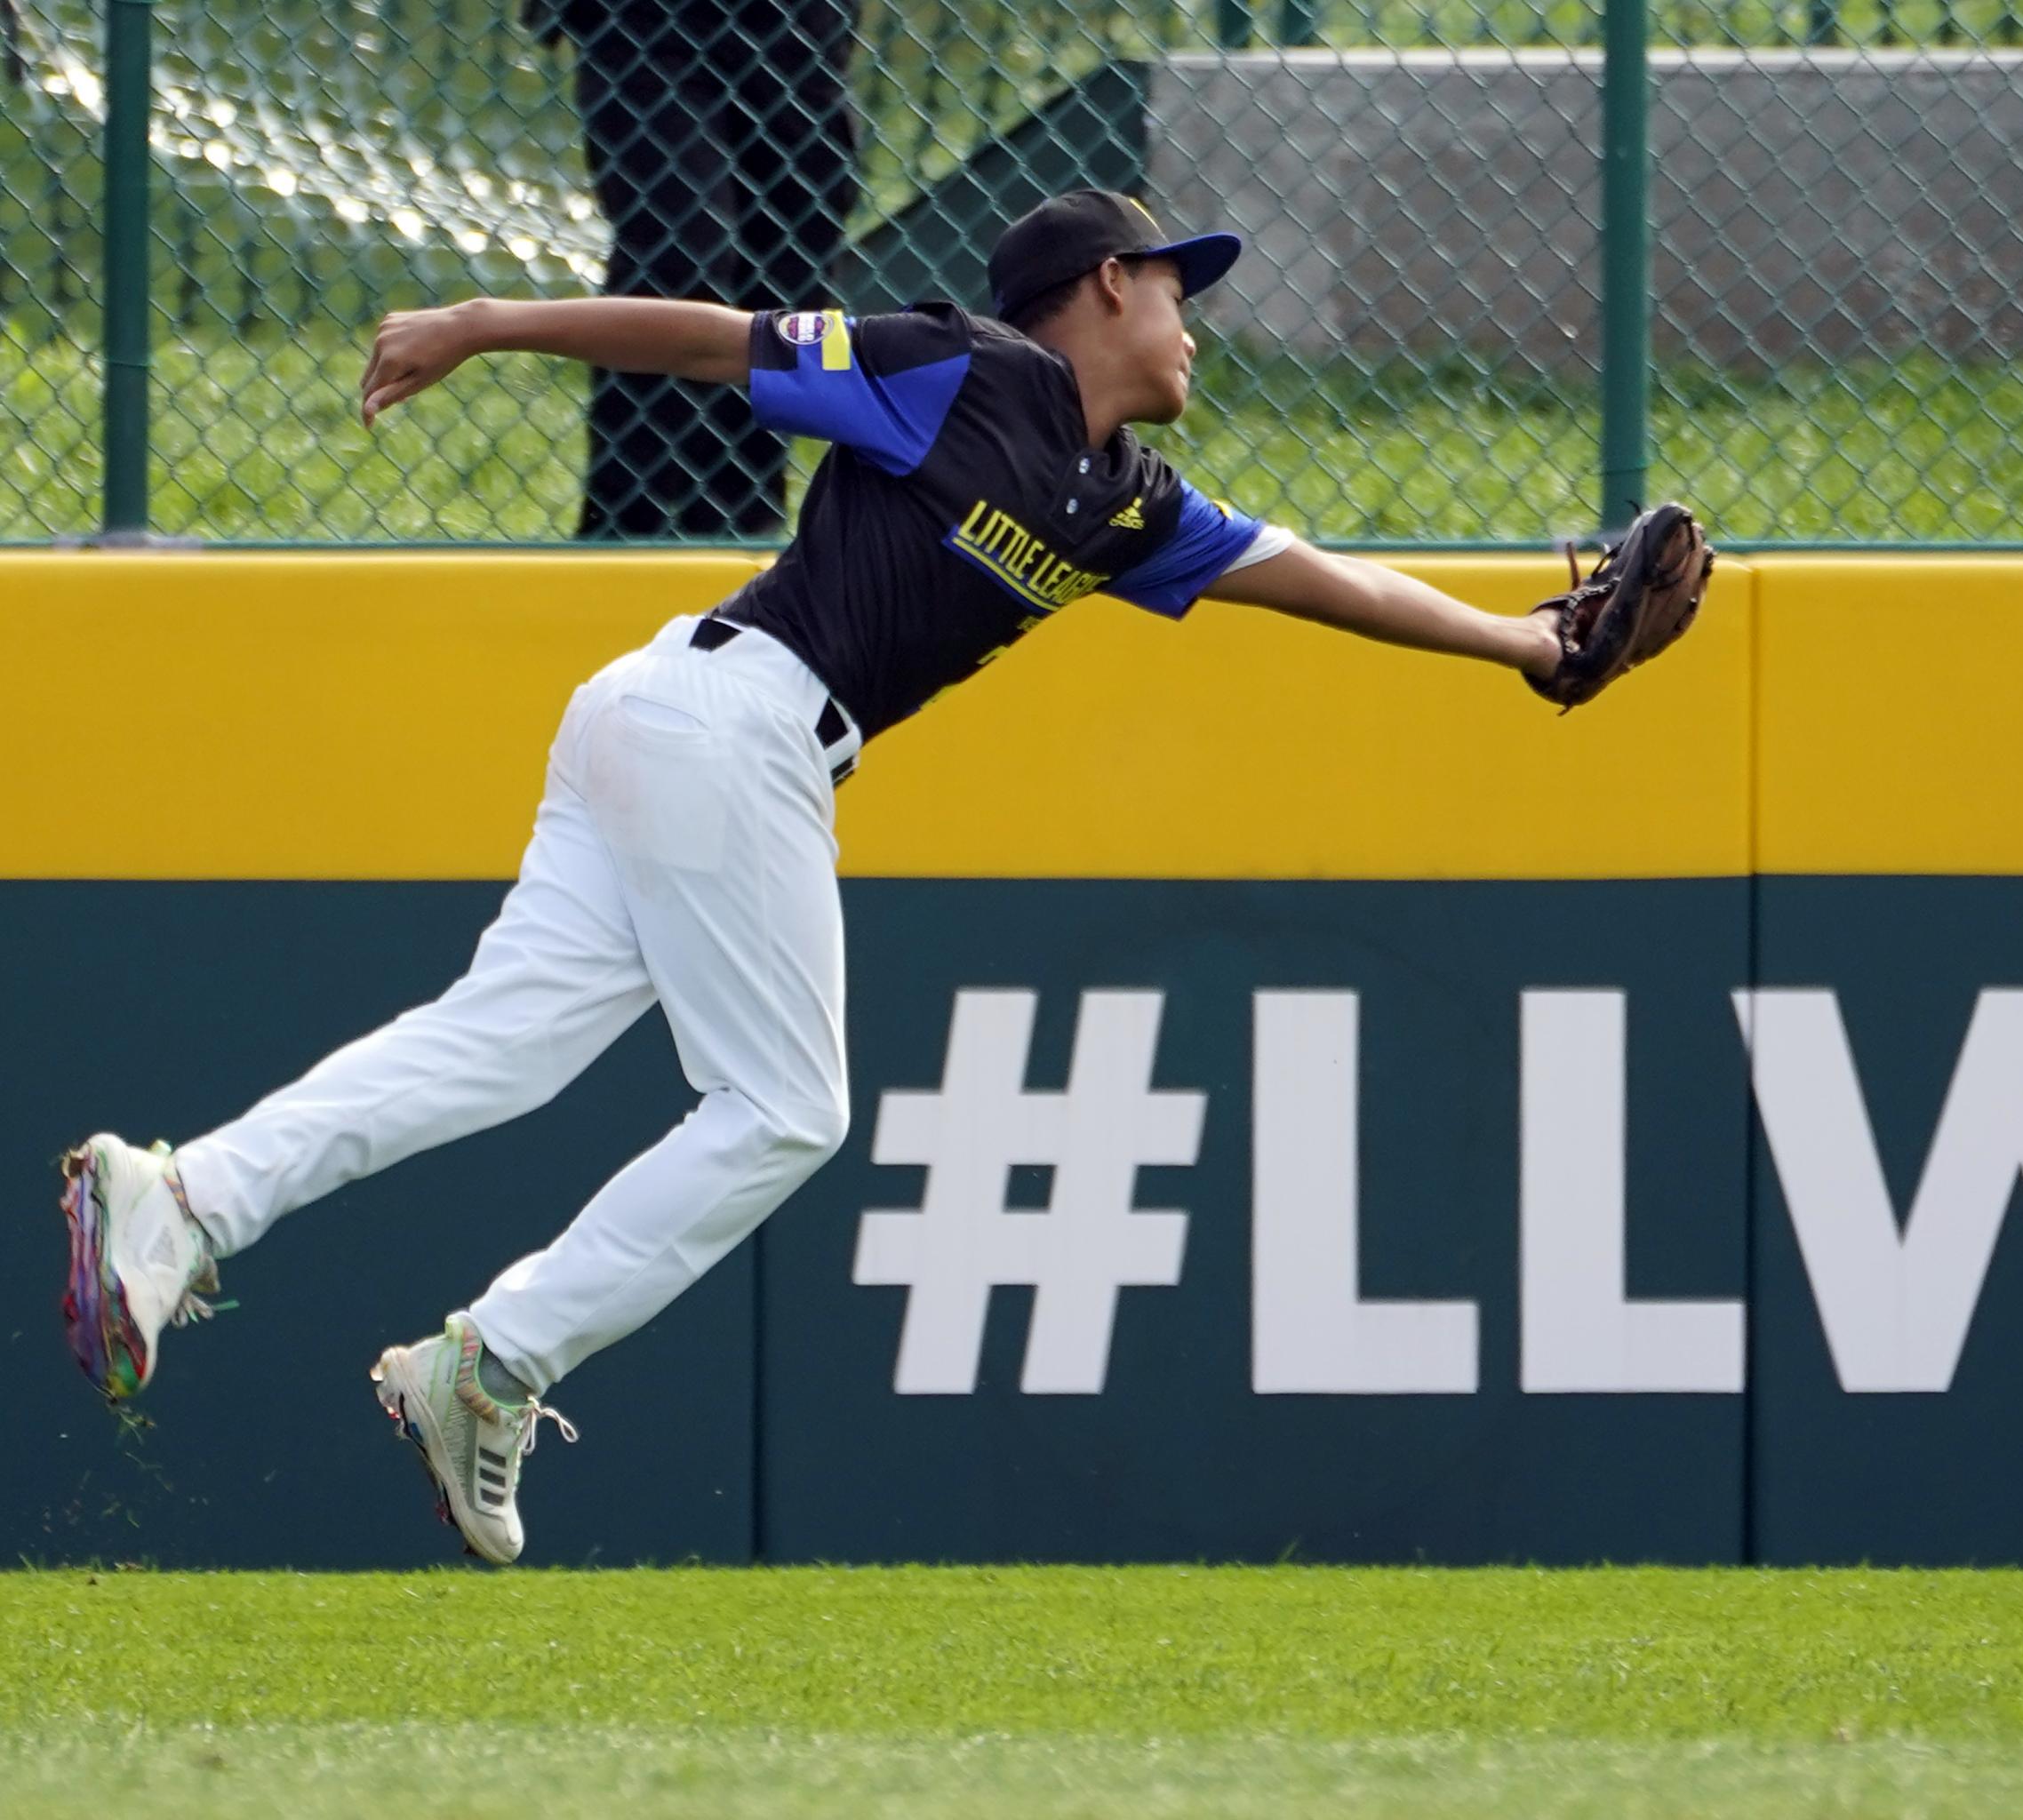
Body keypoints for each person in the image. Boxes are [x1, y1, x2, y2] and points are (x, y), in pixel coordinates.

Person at [57, 192, 1569, 1566]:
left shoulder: (1121, 496)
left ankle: (184, 1196)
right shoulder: (958, 367)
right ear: (1107, 284)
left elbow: (1319, 579)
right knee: (786, 1107)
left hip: (678, 720)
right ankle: (492, 1361)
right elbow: (717, 343)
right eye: (1180, 286)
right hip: (734, 716)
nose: (1194, 321)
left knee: (497, 1040)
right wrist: (484, 324)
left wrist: (1524, 644)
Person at [529, 0, 860, 539]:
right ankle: (624, 534)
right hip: (647, 21)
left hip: (799, 23)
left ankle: (742, 532)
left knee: (792, 271)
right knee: (680, 257)